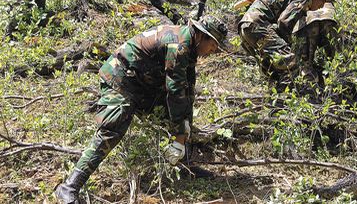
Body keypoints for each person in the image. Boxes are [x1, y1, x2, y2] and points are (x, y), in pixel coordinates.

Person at [54, 16, 228, 203]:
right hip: (120, 79)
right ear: (202, 36)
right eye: (214, 44)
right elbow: (175, 91)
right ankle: (69, 186)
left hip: (143, 83)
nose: (214, 50)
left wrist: (183, 134)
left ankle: (182, 166)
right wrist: (178, 135)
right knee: (112, 129)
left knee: (176, 113)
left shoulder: (190, 45)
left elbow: (186, 92)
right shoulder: (178, 46)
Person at [238, 0, 332, 89]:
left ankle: (274, 96)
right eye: (323, 0)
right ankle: (292, 95)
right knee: (292, 61)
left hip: (245, 27)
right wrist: (288, 45)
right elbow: (284, 22)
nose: (322, 5)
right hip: (258, 25)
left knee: (271, 68)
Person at [292, 0, 337, 86]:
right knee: (336, 61)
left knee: (305, 66)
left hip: (309, 26)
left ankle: (308, 75)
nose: (321, 5)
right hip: (327, 22)